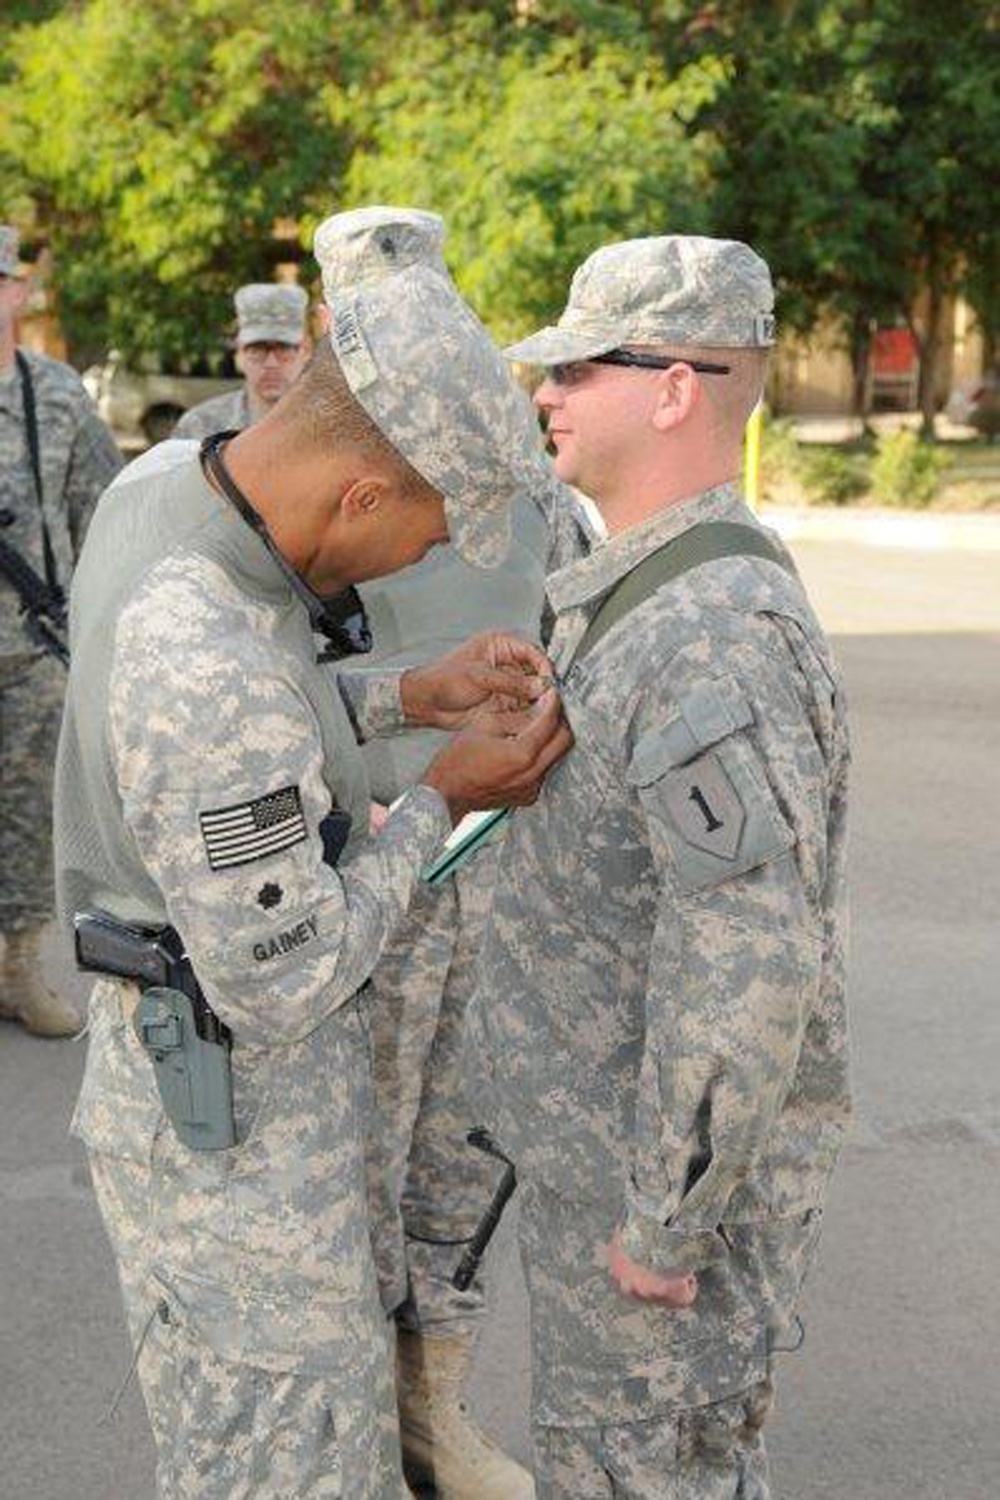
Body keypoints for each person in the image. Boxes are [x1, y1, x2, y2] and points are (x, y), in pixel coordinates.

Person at [55, 242, 572, 1498]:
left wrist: (408, 696)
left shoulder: (170, 486)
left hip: (218, 1111)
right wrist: (445, 799)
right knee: (283, 1468)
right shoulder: (204, 645)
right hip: (238, 1139)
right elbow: (290, 974)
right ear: (358, 497)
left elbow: (258, 723)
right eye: (429, 531)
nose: (421, 562)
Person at [465, 235, 852, 1498]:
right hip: (610, 1174)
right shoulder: (646, 591)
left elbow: (743, 961)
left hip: (649, 1219)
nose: (547, 394)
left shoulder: (707, 634)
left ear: (677, 387)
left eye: (580, 369)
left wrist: (668, 1219)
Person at [314, 206, 593, 1499]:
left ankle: (436, 1410)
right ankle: (353, 1423)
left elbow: (581, 650)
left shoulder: (533, 485)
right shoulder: (268, 481)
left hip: (493, 870)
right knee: (348, 1157)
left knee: (465, 1148)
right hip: (349, 876)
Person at [0, 223, 121, 1037]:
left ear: (18, 292)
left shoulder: (56, 395)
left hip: (30, 649)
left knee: (25, 819)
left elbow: (107, 517)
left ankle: (17, 970)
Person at [173, 282, 310, 438]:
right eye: (257, 349)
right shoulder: (200, 426)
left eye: (284, 349)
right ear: (239, 353)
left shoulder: (329, 428)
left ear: (305, 352)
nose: (271, 363)